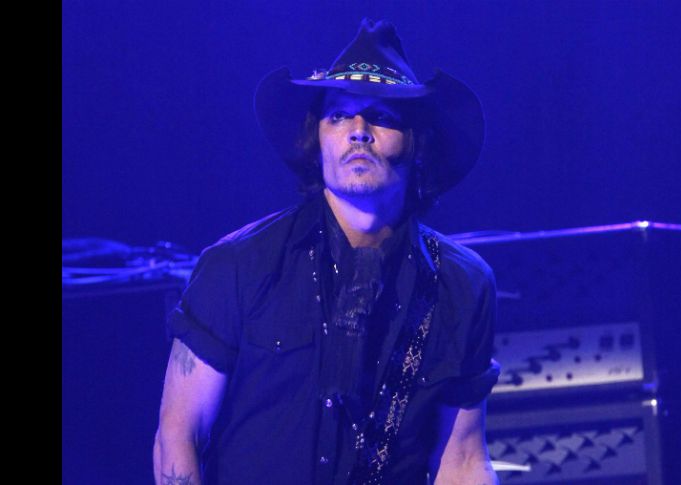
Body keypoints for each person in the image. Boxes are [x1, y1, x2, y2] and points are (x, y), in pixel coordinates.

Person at [153, 18, 500, 485]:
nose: (359, 131)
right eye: (338, 116)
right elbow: (179, 436)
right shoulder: (238, 265)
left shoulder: (462, 285)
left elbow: (463, 458)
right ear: (315, 141)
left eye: (382, 115)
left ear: (417, 144)